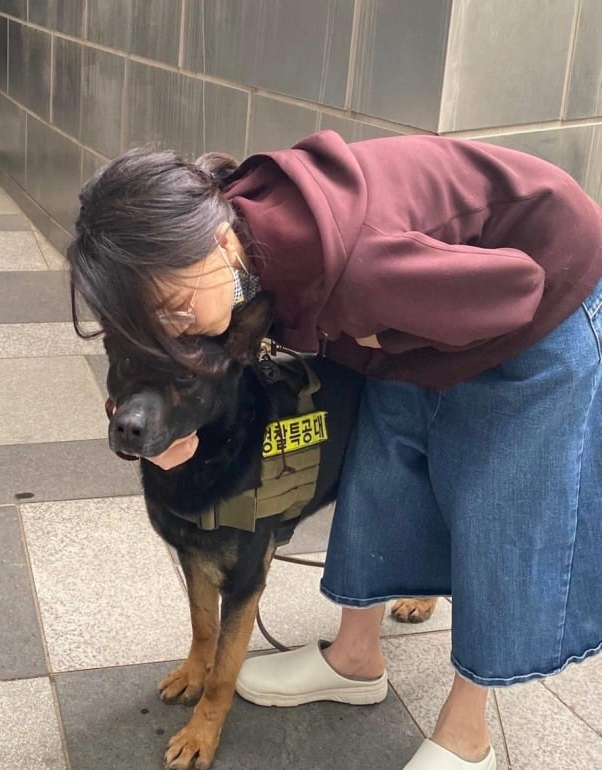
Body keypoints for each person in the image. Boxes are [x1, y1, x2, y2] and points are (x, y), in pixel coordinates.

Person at [68, 130, 602, 770]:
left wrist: (392, 345)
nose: (174, 333)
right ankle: (355, 660)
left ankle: (467, 734)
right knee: (384, 471)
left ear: (210, 241)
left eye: (177, 309)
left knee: (495, 506)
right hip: (432, 285)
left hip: (547, 293)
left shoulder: (357, 266)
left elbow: (516, 288)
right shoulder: (225, 227)